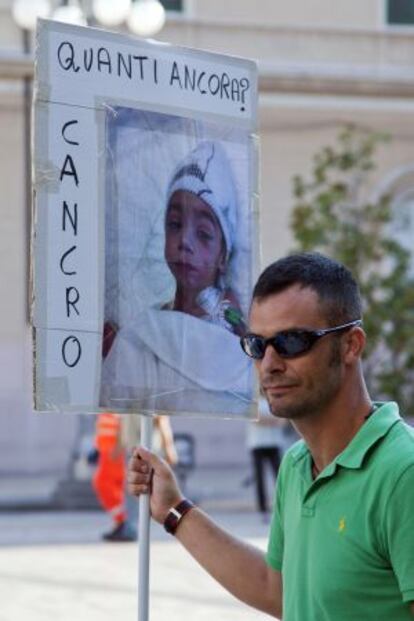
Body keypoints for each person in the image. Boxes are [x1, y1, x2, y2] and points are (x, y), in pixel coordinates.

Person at [128, 252, 414, 620]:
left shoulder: (402, 473)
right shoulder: (296, 466)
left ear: (351, 345)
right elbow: (276, 587)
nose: (270, 364)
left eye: (293, 342)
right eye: (258, 345)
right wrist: (175, 509)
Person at [101, 141, 252, 417]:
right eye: (175, 224)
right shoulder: (138, 336)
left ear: (223, 256)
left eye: (204, 234)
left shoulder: (239, 346)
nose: (184, 242)